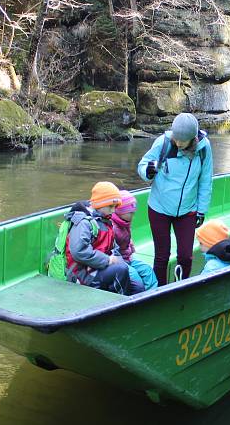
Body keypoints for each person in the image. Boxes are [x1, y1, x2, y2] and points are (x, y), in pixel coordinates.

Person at [137, 113, 213, 285]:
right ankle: (159, 292)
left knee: (185, 256)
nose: (178, 143)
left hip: (188, 209)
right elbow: (142, 165)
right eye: (176, 138)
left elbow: (205, 179)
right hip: (159, 208)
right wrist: (148, 171)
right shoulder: (163, 143)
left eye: (182, 141)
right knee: (162, 256)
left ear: (193, 139)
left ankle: (181, 287)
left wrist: (202, 210)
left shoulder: (204, 148)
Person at [65, 182, 144, 295]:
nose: (113, 211)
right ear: (99, 204)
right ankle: (121, 305)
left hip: (97, 267)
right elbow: (79, 251)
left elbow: (115, 248)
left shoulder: (106, 220)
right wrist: (107, 260)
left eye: (115, 207)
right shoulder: (84, 222)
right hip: (81, 273)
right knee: (120, 270)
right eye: (110, 207)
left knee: (137, 287)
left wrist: (116, 259)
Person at [110, 190, 158, 291]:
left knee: (147, 270)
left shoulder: (125, 222)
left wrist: (130, 246)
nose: (133, 216)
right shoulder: (113, 227)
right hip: (119, 261)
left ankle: (152, 296)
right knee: (136, 280)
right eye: (130, 213)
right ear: (120, 211)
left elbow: (127, 238)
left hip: (127, 257)